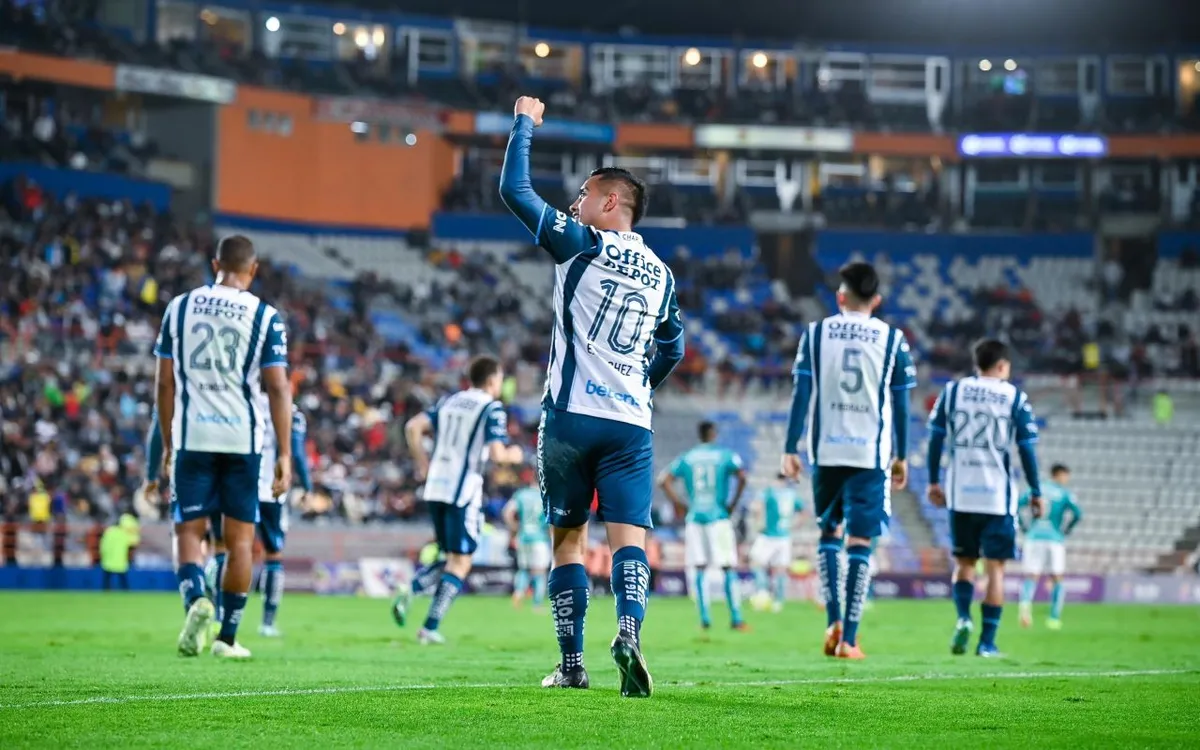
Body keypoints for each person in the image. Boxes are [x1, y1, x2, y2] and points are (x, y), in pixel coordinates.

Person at [499, 95, 685, 696]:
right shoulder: (662, 273)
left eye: (583, 194)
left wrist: (526, 120)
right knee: (630, 538)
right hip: (631, 423)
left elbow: (514, 190)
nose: (574, 203)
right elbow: (674, 348)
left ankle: (573, 665)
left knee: (568, 538)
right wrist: (637, 385)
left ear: (610, 203)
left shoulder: (584, 241)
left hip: (571, 416)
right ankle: (629, 634)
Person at [155, 234, 292, 660]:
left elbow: (164, 382)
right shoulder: (266, 316)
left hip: (193, 435)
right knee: (239, 541)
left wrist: (167, 441)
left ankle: (196, 598)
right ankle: (227, 638)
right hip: (242, 440)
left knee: (188, 531)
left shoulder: (179, 307)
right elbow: (277, 388)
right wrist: (284, 453)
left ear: (215, 263)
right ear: (253, 269)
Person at [780, 261, 915, 660]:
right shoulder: (893, 340)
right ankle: (849, 639)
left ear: (840, 297)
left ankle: (831, 622)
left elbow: (801, 395)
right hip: (868, 455)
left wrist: (790, 447)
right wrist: (902, 456)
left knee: (828, 535)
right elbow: (902, 404)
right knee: (860, 542)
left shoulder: (816, 334)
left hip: (826, 452)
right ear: (877, 300)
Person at [394, 355, 523, 644]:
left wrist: (422, 463)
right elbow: (499, 455)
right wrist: (514, 455)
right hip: (462, 491)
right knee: (462, 561)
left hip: (435, 488)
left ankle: (413, 592)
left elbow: (413, 427)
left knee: (451, 557)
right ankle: (426, 620)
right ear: (492, 380)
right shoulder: (491, 408)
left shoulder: (449, 401)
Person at [927, 338, 1043, 658]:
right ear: (1003, 366)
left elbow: (936, 436)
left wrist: (934, 481)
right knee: (996, 570)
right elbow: (1026, 448)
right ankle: (987, 642)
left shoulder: (953, 392)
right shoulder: (1014, 397)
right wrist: (1036, 491)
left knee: (964, 564)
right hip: (996, 498)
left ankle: (964, 618)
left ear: (977, 363)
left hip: (961, 493)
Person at [658, 421, 748, 630]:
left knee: (699, 567)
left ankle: (705, 618)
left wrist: (679, 504)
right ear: (714, 434)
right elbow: (742, 477)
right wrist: (732, 504)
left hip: (695, 516)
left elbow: (664, 480)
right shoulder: (725, 455)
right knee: (727, 566)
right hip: (718, 517)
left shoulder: (688, 457)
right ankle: (736, 618)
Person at [254, 402, 312, 637]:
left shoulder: (246, 401)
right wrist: (308, 486)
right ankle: (267, 623)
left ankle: (218, 615)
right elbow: (296, 452)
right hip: (271, 490)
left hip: (237, 485)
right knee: (273, 555)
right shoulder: (293, 413)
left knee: (227, 548)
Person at [1018, 464, 1081, 630]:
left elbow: (1017, 506)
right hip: (1054, 538)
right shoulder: (1064, 493)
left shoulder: (1036, 489)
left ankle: (1025, 610)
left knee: (1031, 576)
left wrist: (1024, 527)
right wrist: (1066, 530)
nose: (1067, 479)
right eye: (1066, 476)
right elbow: (1078, 514)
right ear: (1059, 474)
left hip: (1034, 536)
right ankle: (1054, 618)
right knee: (1057, 577)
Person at [748, 473, 804, 614]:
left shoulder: (769, 492)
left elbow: (757, 506)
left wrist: (758, 522)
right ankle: (778, 602)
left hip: (769, 535)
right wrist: (795, 525)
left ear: (776, 480)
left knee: (756, 563)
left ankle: (763, 592)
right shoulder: (791, 494)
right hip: (784, 536)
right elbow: (803, 512)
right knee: (780, 569)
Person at [504, 484, 551, 610]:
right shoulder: (545, 494)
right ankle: (537, 604)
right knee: (539, 571)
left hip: (523, 537)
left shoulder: (521, 494)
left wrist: (515, 528)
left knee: (524, 568)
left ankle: (518, 593)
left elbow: (507, 512)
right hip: (539, 538)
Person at [99, 513, 140, 591]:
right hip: (120, 561)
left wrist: (103, 554)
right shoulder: (125, 534)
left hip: (108, 559)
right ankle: (126, 594)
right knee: (123, 581)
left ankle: (105, 594)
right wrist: (134, 531)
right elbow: (135, 542)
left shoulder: (110, 531)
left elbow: (103, 544)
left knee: (107, 580)